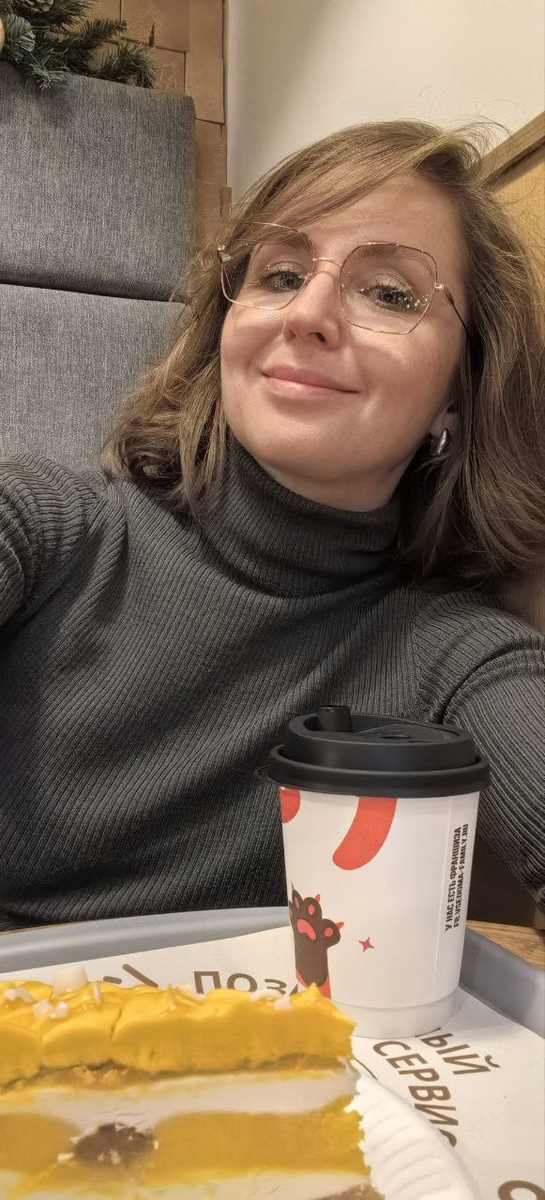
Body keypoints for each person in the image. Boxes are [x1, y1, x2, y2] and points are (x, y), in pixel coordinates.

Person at [0, 120, 544, 930]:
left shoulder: (458, 656)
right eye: (280, 274)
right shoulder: (44, 527)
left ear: (458, 393)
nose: (307, 313)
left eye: (389, 292)